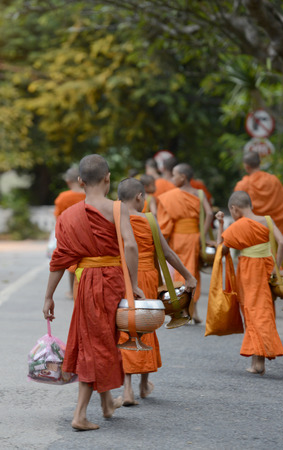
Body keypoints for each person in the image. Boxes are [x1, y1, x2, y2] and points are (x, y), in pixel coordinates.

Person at [43, 154, 144, 431]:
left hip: (85, 281)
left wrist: (49, 296)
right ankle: (79, 414)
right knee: (99, 343)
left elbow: (60, 258)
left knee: (98, 339)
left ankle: (106, 403)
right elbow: (131, 247)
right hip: (112, 279)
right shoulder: (117, 208)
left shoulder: (68, 216)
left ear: (80, 181)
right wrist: (133, 283)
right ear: (108, 178)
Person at [117, 177, 197, 405]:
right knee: (146, 324)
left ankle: (127, 388)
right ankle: (143, 383)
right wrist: (188, 275)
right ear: (140, 197)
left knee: (126, 324)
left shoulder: (114, 220)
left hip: (121, 276)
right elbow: (168, 253)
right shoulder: (148, 220)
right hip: (146, 277)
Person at [215, 191, 283, 375]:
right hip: (267, 267)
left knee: (252, 312)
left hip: (249, 271)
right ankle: (257, 361)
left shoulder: (239, 226)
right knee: (263, 311)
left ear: (235, 209)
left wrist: (221, 225)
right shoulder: (268, 220)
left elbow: (220, 251)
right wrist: (275, 270)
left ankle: (259, 363)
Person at [157, 163, 214, 323]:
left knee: (180, 273)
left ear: (182, 177)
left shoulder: (171, 196)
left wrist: (163, 239)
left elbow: (166, 222)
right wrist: (201, 235)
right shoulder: (199, 193)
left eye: (174, 175)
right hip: (194, 238)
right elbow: (209, 214)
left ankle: (182, 310)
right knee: (193, 272)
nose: (172, 179)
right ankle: (193, 311)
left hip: (177, 237)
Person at [234, 152, 283, 269]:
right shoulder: (273, 181)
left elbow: (237, 212)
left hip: (254, 236)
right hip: (275, 230)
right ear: (260, 163)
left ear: (246, 166)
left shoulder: (242, 185)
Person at [53, 167, 86, 298]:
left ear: (68, 181)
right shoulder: (87, 195)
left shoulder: (63, 197)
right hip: (87, 233)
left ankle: (72, 291)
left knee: (71, 263)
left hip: (70, 234)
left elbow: (58, 217)